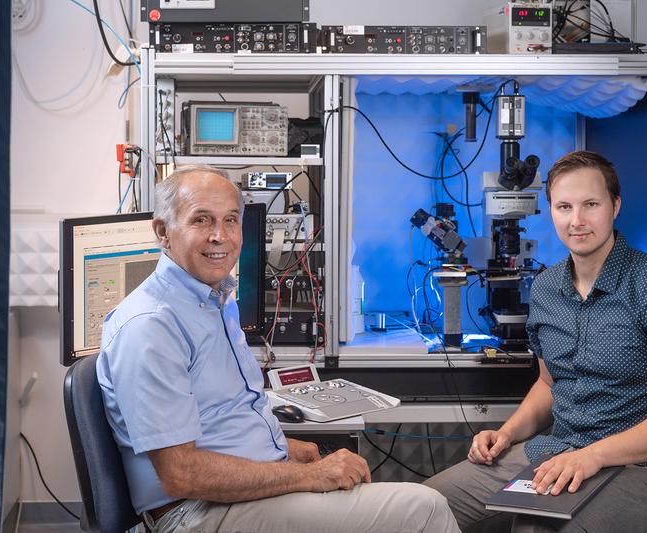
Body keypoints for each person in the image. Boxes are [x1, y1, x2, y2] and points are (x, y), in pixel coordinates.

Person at [96, 165, 460, 533]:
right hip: (195, 514)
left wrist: (283, 447)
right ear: (163, 231)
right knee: (425, 509)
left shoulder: (214, 302)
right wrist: (304, 476)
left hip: (233, 499)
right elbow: (181, 474)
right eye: (201, 221)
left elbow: (220, 423)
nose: (220, 236)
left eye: (231, 220)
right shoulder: (151, 325)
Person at [424, 151, 647, 532]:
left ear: (615, 206)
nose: (577, 220)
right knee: (420, 507)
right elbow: (549, 384)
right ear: (551, 211)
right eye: (564, 206)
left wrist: (592, 456)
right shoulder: (545, 288)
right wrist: (506, 434)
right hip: (559, 451)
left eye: (591, 204)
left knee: (534, 528)